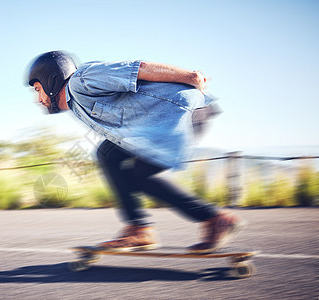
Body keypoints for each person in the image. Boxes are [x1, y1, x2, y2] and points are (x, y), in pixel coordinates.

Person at [27, 50, 246, 253]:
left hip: (179, 113)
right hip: (154, 125)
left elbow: (138, 68)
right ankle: (139, 229)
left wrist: (190, 76)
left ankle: (214, 220)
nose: (38, 100)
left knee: (140, 174)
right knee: (107, 154)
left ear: (51, 80)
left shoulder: (81, 81)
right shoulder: (76, 104)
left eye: (38, 90)